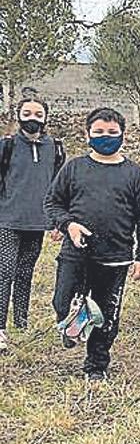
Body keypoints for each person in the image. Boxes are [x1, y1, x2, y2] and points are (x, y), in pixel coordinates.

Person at [44, 107, 140, 380]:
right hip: (75, 254)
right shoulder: (74, 167)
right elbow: (53, 202)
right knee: (63, 303)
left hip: (115, 257)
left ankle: (96, 365)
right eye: (98, 132)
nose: (105, 137)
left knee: (107, 314)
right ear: (87, 134)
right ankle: (72, 327)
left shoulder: (134, 174)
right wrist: (67, 224)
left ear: (122, 135)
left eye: (111, 133)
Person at [0, 96, 65, 352]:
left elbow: (59, 187)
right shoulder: (7, 146)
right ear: (18, 116)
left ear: (46, 117)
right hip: (7, 220)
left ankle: (21, 321)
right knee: (4, 272)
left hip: (38, 222)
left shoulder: (55, 148)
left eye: (38, 114)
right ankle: (0, 328)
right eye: (27, 113)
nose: (32, 118)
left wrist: (58, 221)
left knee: (25, 272)